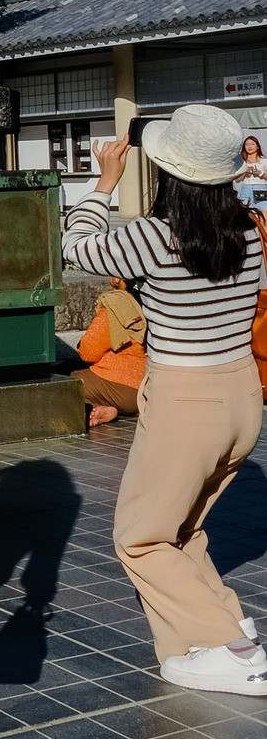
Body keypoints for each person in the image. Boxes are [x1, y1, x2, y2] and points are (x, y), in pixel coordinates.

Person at [64, 107, 267, 695]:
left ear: (167, 172)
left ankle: (235, 647)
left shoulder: (154, 238)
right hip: (241, 396)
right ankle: (211, 633)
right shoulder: (250, 229)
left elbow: (78, 246)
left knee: (140, 537)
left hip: (186, 399)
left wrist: (104, 181)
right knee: (182, 531)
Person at [72, 279, 147, 427]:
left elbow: (89, 351)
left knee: (67, 380)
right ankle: (99, 407)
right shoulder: (153, 299)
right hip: (146, 389)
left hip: (119, 387)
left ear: (117, 279)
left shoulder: (117, 304)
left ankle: (89, 407)